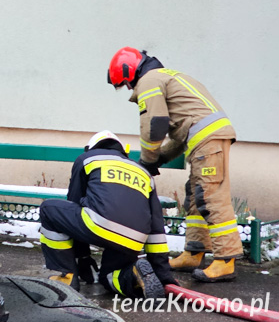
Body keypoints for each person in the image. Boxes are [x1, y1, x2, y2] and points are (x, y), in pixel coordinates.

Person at [108, 47, 242, 282]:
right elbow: (181, 133)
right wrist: (159, 158)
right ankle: (194, 252)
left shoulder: (149, 81)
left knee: (211, 195)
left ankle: (226, 259)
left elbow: (155, 123)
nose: (129, 89)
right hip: (206, 140)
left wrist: (147, 160)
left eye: (127, 84)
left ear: (130, 73)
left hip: (209, 142)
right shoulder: (166, 76)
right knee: (196, 195)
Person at [39, 131, 176, 298]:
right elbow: (156, 227)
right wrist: (163, 274)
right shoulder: (144, 172)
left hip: (98, 225)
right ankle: (133, 274)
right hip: (133, 238)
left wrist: (82, 257)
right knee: (109, 276)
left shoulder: (87, 159)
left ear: (90, 148)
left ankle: (67, 277)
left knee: (49, 209)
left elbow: (73, 205)